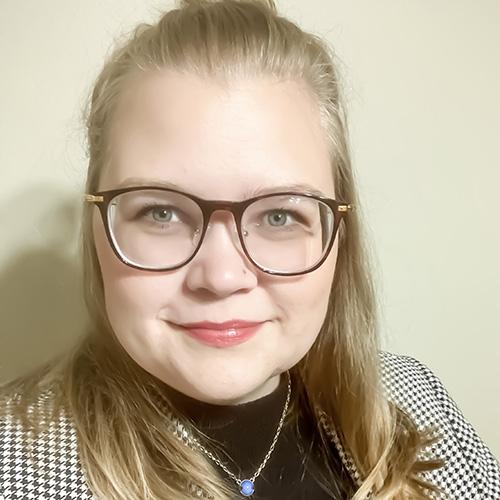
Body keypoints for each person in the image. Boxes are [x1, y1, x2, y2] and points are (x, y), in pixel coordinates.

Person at [1, 0, 499, 499]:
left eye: (279, 216)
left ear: (336, 237)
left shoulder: (419, 401)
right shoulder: (16, 467)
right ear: (97, 229)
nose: (220, 277)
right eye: (161, 213)